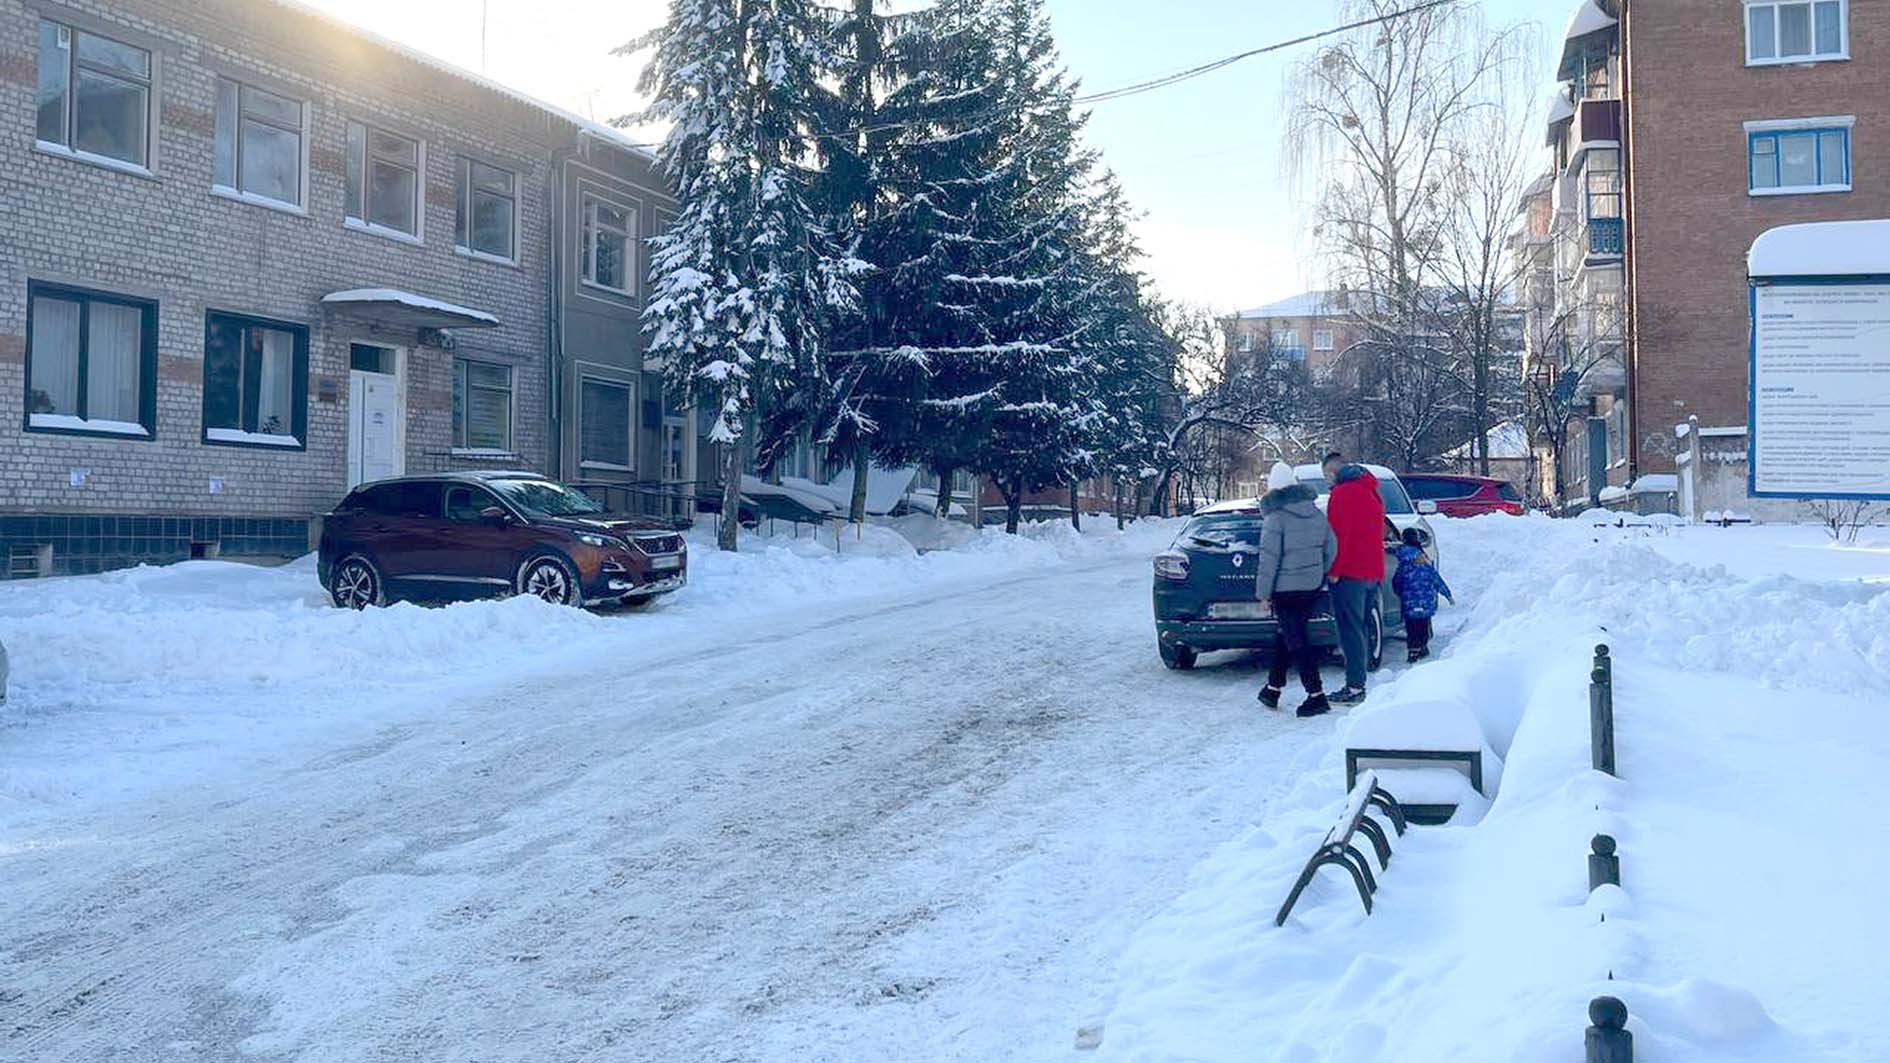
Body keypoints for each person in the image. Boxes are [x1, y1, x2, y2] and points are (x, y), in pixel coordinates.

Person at [1253, 462, 1336, 716]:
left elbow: (1269, 558)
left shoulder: (1275, 517)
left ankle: (1316, 695)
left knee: (1296, 640)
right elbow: (1331, 546)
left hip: (1285, 590)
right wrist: (1320, 571)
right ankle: (1273, 687)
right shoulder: (1315, 513)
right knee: (1287, 634)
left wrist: (1264, 594)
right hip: (1311, 586)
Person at [1325, 462, 1386, 704]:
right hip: (1372, 571)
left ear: (1333, 472)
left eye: (1326, 475)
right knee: (1361, 627)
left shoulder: (1341, 494)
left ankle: (1354, 687)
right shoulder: (1372, 491)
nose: (1327, 480)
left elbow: (1339, 535)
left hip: (1349, 572)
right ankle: (1358, 682)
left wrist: (1334, 569)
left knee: (1349, 630)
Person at [1391, 527, 1452, 663]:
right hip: (1425, 601)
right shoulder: (1423, 561)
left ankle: (1413, 650)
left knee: (1411, 626)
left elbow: (1396, 582)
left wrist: (1400, 593)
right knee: (1423, 624)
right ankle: (1422, 647)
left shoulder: (1402, 564)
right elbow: (1436, 579)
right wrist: (1447, 594)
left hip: (1408, 601)